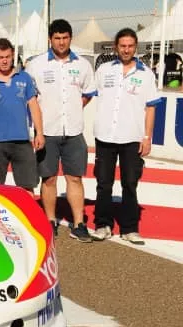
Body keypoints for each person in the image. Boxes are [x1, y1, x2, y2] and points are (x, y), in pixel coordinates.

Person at [25, 19, 96, 242]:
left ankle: (79, 224)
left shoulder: (83, 65)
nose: (61, 42)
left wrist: (72, 110)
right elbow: (29, 98)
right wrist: (38, 128)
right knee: (49, 179)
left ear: (70, 38)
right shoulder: (35, 65)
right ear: (50, 39)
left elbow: (87, 94)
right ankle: (50, 220)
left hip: (74, 131)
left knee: (74, 178)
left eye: (65, 38)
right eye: (57, 38)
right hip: (46, 132)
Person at [91, 28, 161, 245]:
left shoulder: (146, 74)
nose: (126, 50)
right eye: (122, 46)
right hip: (105, 136)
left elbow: (151, 108)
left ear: (135, 47)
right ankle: (102, 225)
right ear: (116, 47)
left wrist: (147, 137)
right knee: (104, 183)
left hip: (132, 137)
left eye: (130, 46)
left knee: (130, 184)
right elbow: (91, 95)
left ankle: (130, 228)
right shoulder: (103, 70)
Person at [0, 38, 44, 194]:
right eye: (0, 57)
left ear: (13, 56)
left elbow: (34, 106)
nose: (4, 61)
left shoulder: (24, 77)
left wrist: (39, 133)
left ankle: (26, 211)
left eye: (7, 57)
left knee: (27, 188)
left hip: (22, 141)